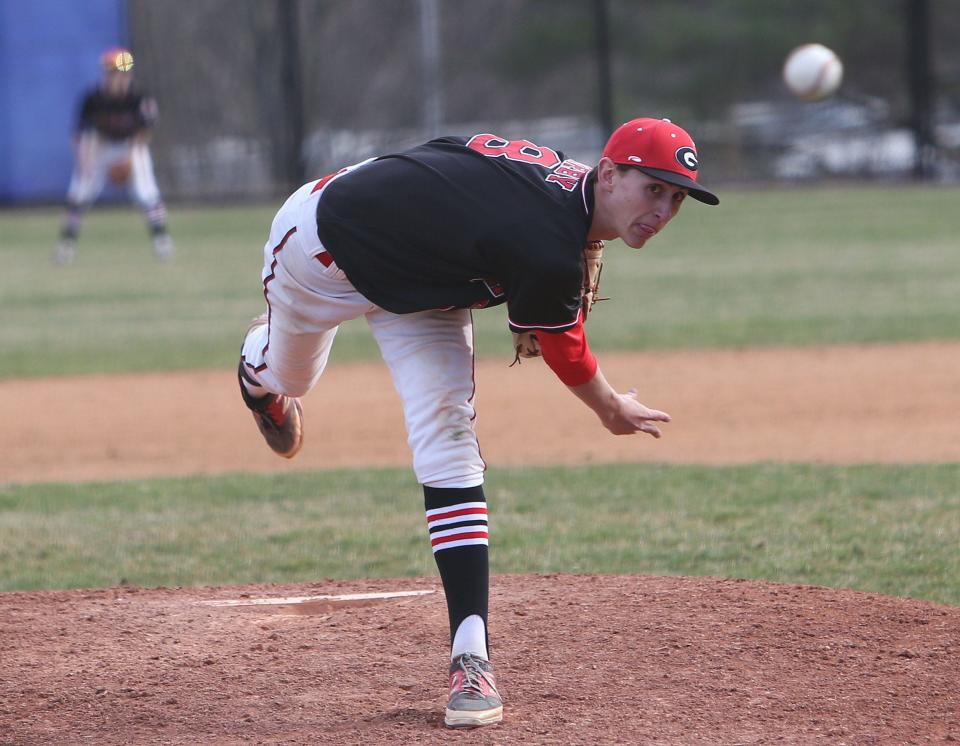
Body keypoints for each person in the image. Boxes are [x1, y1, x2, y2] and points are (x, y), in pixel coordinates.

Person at [236, 117, 719, 728]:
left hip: (427, 291)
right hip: (322, 251)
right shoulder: (546, 242)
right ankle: (257, 375)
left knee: (450, 442)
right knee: (290, 377)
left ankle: (471, 655)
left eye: (677, 198)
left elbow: (455, 149)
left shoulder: (561, 206)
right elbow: (564, 347)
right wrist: (610, 408)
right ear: (609, 173)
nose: (664, 209)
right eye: (653, 188)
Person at [54, 47, 173, 265]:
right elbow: (79, 135)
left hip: (131, 145)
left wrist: (129, 157)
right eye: (116, 72)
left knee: (147, 191)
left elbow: (145, 131)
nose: (121, 77)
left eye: (125, 72)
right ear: (107, 74)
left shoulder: (139, 97)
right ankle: (66, 246)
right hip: (101, 146)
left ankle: (161, 241)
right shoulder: (93, 98)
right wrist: (85, 162)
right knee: (79, 191)